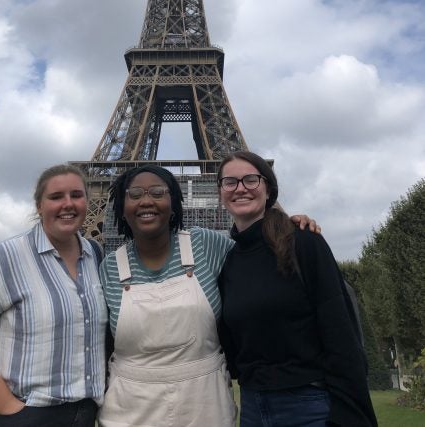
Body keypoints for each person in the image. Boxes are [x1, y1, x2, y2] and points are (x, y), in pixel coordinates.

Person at [98, 164, 319, 427]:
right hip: (130, 406)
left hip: (204, 403)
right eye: (134, 194)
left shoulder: (205, 244)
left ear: (174, 202)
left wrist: (284, 227)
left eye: (158, 192)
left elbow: (256, 254)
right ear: (121, 207)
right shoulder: (108, 267)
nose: (147, 200)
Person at [217, 151, 378, 427]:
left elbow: (340, 329)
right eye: (230, 182)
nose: (240, 188)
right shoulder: (228, 261)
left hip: (309, 404)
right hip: (253, 407)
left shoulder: (303, 242)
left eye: (251, 180)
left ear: (268, 189)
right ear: (221, 193)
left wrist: (350, 413)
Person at [0, 164, 108, 427]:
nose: (68, 204)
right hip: (21, 413)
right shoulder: (8, 257)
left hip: (82, 415)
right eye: (56, 197)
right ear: (39, 205)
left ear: (88, 200)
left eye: (76, 195)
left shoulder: (96, 257)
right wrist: (9, 408)